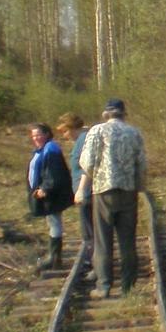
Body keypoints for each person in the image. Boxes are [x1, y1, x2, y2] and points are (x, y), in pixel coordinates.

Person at [78, 97, 147, 299]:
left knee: (103, 241)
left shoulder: (97, 131)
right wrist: (139, 187)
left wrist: (83, 188)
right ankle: (128, 286)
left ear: (105, 114)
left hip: (103, 190)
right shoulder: (134, 133)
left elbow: (87, 163)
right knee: (127, 241)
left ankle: (104, 285)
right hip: (128, 191)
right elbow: (142, 164)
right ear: (124, 114)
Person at [26, 122, 74, 272]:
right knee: (52, 223)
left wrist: (45, 188)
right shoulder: (43, 149)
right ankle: (54, 258)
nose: (35, 138)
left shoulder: (51, 149)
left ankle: (54, 259)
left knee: (54, 223)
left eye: (38, 135)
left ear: (47, 134)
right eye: (33, 135)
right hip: (45, 193)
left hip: (51, 194)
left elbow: (54, 172)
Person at [56, 112, 92, 273]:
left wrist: (81, 190)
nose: (64, 135)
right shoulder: (82, 140)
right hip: (84, 191)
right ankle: (92, 259)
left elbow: (87, 167)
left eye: (65, 131)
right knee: (88, 229)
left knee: (89, 229)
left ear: (72, 128)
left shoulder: (84, 139)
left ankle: (92, 261)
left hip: (87, 192)